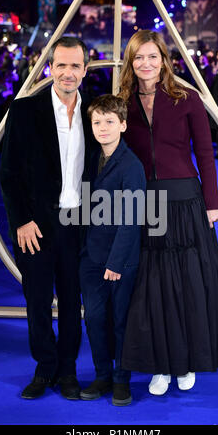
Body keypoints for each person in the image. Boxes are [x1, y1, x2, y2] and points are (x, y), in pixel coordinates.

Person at [119, 30, 218, 396]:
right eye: (139, 58)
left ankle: (185, 362)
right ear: (131, 62)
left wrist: (212, 202)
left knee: (186, 286)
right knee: (150, 289)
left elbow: (205, 152)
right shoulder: (123, 102)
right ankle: (159, 366)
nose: (146, 64)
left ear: (164, 60)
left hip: (185, 201)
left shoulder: (188, 98)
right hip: (144, 203)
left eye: (152, 57)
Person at [0, 37, 96, 400]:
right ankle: (44, 367)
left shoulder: (94, 114)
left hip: (79, 226)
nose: (68, 73)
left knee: (73, 301)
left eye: (75, 66)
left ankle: (68, 370)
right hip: (36, 226)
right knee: (37, 299)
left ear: (85, 70)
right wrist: (22, 220)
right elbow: (8, 174)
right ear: (49, 68)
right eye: (61, 65)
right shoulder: (24, 110)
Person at [79, 94, 146, 406]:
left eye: (109, 121)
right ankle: (102, 374)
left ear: (122, 124)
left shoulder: (131, 166)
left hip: (120, 260)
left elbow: (132, 220)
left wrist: (116, 262)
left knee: (119, 321)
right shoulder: (91, 158)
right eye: (97, 122)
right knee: (93, 318)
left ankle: (122, 379)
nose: (102, 127)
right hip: (91, 257)